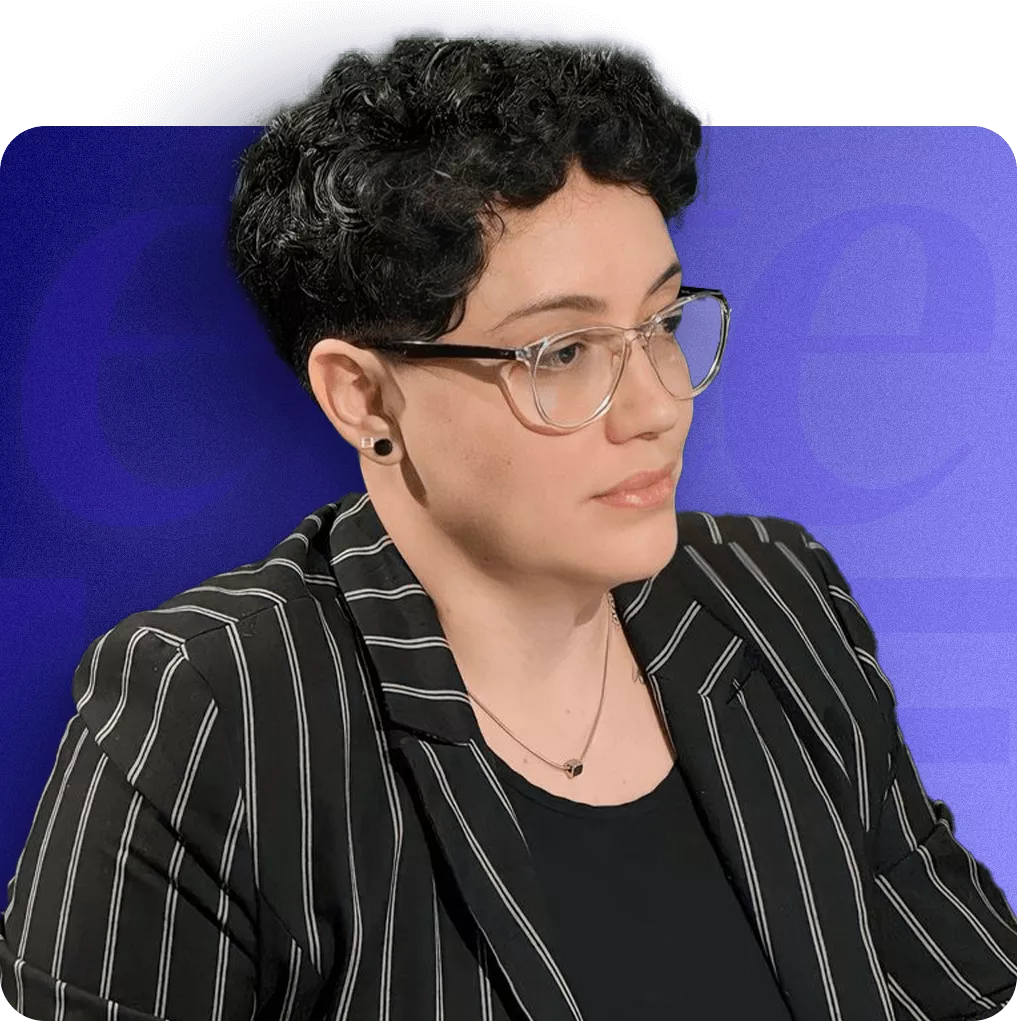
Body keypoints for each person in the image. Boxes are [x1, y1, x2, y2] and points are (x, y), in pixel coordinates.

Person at [2, 30, 1015, 1021]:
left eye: (661, 324)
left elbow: (971, 984)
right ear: (362, 396)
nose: (657, 405)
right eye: (562, 351)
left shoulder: (776, 594)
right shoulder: (214, 703)